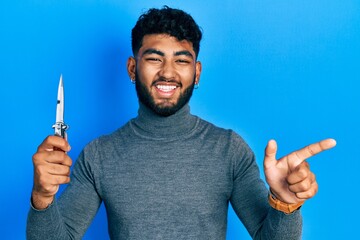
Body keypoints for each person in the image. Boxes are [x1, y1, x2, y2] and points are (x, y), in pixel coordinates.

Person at [27, 6, 336, 239]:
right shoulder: (99, 155)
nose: (168, 72)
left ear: (197, 73)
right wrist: (42, 197)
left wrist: (284, 203)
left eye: (182, 60)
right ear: (132, 68)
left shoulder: (229, 149)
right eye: (154, 58)